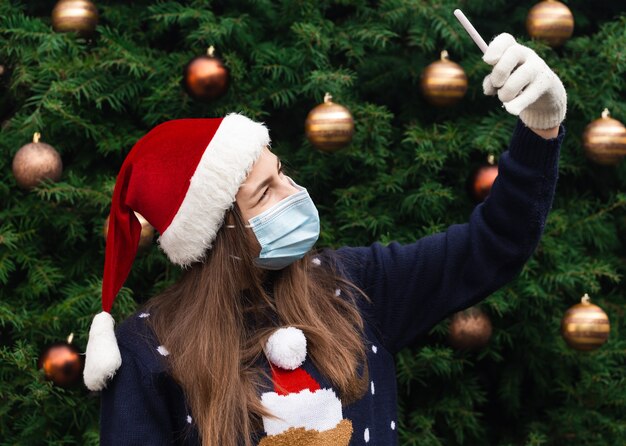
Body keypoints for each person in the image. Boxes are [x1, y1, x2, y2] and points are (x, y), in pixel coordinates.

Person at [83, 33, 567, 445]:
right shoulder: (148, 353)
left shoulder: (355, 287)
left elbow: (493, 245)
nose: (294, 194)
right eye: (266, 192)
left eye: (283, 173)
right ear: (218, 233)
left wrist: (540, 129)